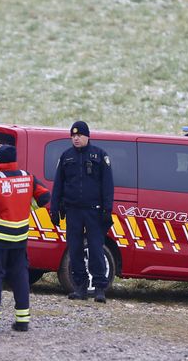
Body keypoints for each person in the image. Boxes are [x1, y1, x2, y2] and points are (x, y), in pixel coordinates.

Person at [0, 145, 51, 334]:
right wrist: (27, 209)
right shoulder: (27, 176)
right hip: (20, 237)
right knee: (21, 277)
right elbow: (45, 196)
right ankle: (22, 321)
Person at [50, 120, 113, 303]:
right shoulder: (66, 156)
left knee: (95, 249)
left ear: (87, 136)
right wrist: (54, 209)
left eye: (79, 135)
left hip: (94, 211)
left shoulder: (99, 155)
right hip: (73, 211)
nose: (76, 138)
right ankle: (80, 287)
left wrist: (107, 209)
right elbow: (58, 185)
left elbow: (107, 185)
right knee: (75, 249)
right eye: (73, 135)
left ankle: (100, 288)